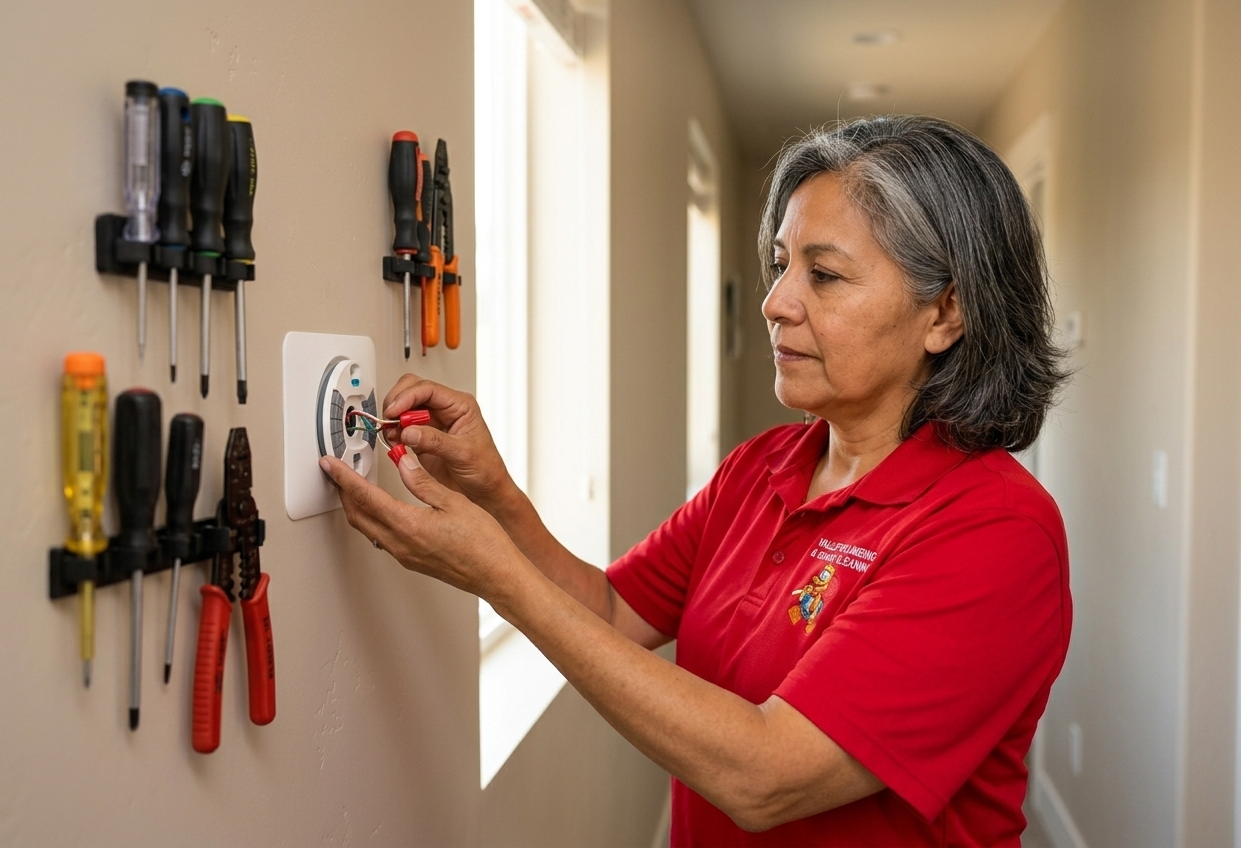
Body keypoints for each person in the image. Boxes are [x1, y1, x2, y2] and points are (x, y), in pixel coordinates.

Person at [320, 115, 1072, 847]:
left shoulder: (996, 532)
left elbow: (766, 776)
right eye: (781, 263)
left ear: (944, 313)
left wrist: (498, 578)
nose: (775, 302)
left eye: (824, 275)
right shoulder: (762, 466)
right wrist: (496, 495)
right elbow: (612, 611)